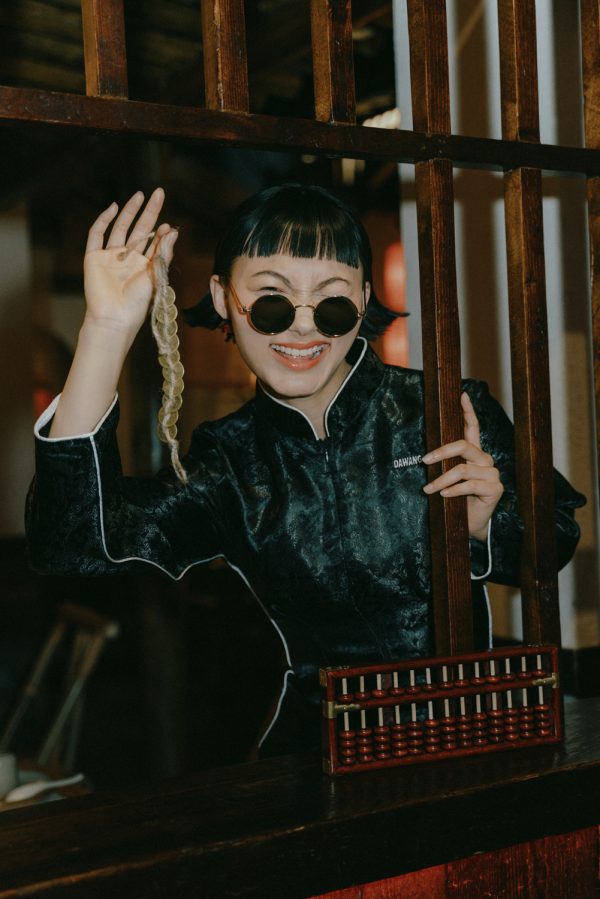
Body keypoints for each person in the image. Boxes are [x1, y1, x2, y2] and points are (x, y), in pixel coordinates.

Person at [26, 184, 585, 757]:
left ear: (362, 301)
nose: (302, 328)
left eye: (332, 302)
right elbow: (76, 545)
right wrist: (106, 330)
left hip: (468, 735)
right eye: (272, 301)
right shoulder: (229, 460)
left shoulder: (446, 412)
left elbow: (556, 537)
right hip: (317, 758)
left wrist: (486, 526)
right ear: (222, 298)